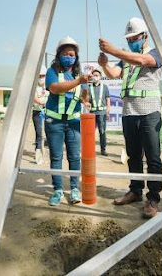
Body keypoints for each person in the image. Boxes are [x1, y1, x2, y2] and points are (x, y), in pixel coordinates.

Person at [98, 17, 162, 219]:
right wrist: (105, 65)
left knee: (152, 157)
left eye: (134, 38)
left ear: (144, 36)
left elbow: (142, 61)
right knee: (133, 155)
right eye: (129, 39)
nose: (131, 41)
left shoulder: (154, 53)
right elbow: (114, 73)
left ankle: (153, 197)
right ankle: (135, 190)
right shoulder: (125, 59)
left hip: (149, 113)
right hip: (129, 113)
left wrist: (114, 51)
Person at [45, 36, 91, 206]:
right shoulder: (52, 72)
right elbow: (54, 88)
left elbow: (83, 96)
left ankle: (74, 189)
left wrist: (86, 99)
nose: (68, 57)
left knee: (74, 157)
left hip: (73, 123)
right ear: (59, 55)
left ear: (76, 56)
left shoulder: (79, 74)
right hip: (54, 122)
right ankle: (57, 190)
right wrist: (79, 81)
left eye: (72, 54)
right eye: (65, 54)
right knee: (56, 157)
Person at [88, 68, 111, 156]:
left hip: (102, 113)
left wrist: (108, 111)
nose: (95, 77)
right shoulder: (88, 87)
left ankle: (103, 150)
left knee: (102, 132)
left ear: (100, 77)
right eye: (94, 75)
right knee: (90, 133)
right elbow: (85, 99)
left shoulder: (104, 87)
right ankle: (90, 150)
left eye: (97, 75)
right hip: (92, 113)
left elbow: (108, 99)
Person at [33, 65, 49, 164]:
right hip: (38, 112)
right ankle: (38, 154)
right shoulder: (34, 87)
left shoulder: (48, 86)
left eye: (43, 76)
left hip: (48, 113)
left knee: (48, 133)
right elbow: (35, 98)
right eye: (39, 76)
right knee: (39, 134)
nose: (41, 78)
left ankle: (46, 153)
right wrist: (42, 103)